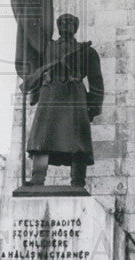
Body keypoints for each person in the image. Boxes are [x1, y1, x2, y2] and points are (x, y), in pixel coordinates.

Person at [25, 13, 104, 187]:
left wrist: (93, 107)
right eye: (62, 22)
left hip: (74, 96)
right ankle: (37, 177)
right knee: (42, 136)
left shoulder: (87, 51)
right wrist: (34, 92)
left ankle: (78, 180)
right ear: (58, 26)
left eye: (70, 22)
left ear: (75, 27)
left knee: (77, 140)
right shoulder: (46, 48)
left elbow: (96, 81)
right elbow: (33, 71)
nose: (66, 24)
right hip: (50, 95)